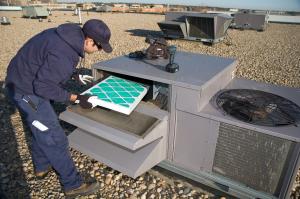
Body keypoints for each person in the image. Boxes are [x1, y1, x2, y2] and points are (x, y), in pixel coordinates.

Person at [4, 19, 112, 197]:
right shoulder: (64, 53)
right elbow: (43, 87)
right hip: (27, 94)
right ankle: (72, 184)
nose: (99, 51)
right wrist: (77, 98)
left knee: (39, 128)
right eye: (99, 47)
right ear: (89, 40)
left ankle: (42, 166)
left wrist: (73, 74)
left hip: (20, 79)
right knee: (55, 137)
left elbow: (47, 62)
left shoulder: (66, 35)